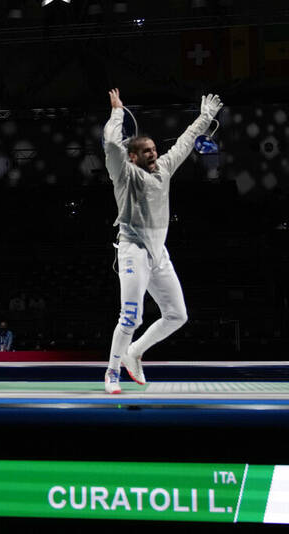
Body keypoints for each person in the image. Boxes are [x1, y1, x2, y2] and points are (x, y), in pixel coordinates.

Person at [102, 88, 223, 394]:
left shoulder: (165, 168)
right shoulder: (124, 175)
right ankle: (112, 372)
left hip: (158, 253)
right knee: (131, 317)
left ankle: (134, 353)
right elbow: (111, 144)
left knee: (177, 315)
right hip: (133, 251)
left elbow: (185, 140)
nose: (153, 154)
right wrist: (117, 113)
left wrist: (205, 117)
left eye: (154, 149)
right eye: (146, 151)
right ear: (132, 157)